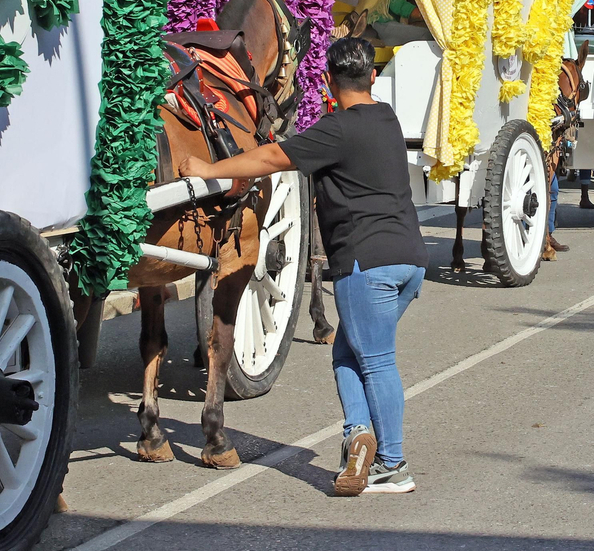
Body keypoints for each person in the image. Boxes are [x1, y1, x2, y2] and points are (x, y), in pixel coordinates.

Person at [182, 37, 425, 496]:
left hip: (364, 265)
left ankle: (392, 464)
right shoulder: (387, 119)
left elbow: (272, 157)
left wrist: (208, 169)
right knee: (350, 354)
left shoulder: (336, 129)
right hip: (410, 261)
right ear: (372, 77)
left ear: (328, 82)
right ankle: (359, 437)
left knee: (374, 361)